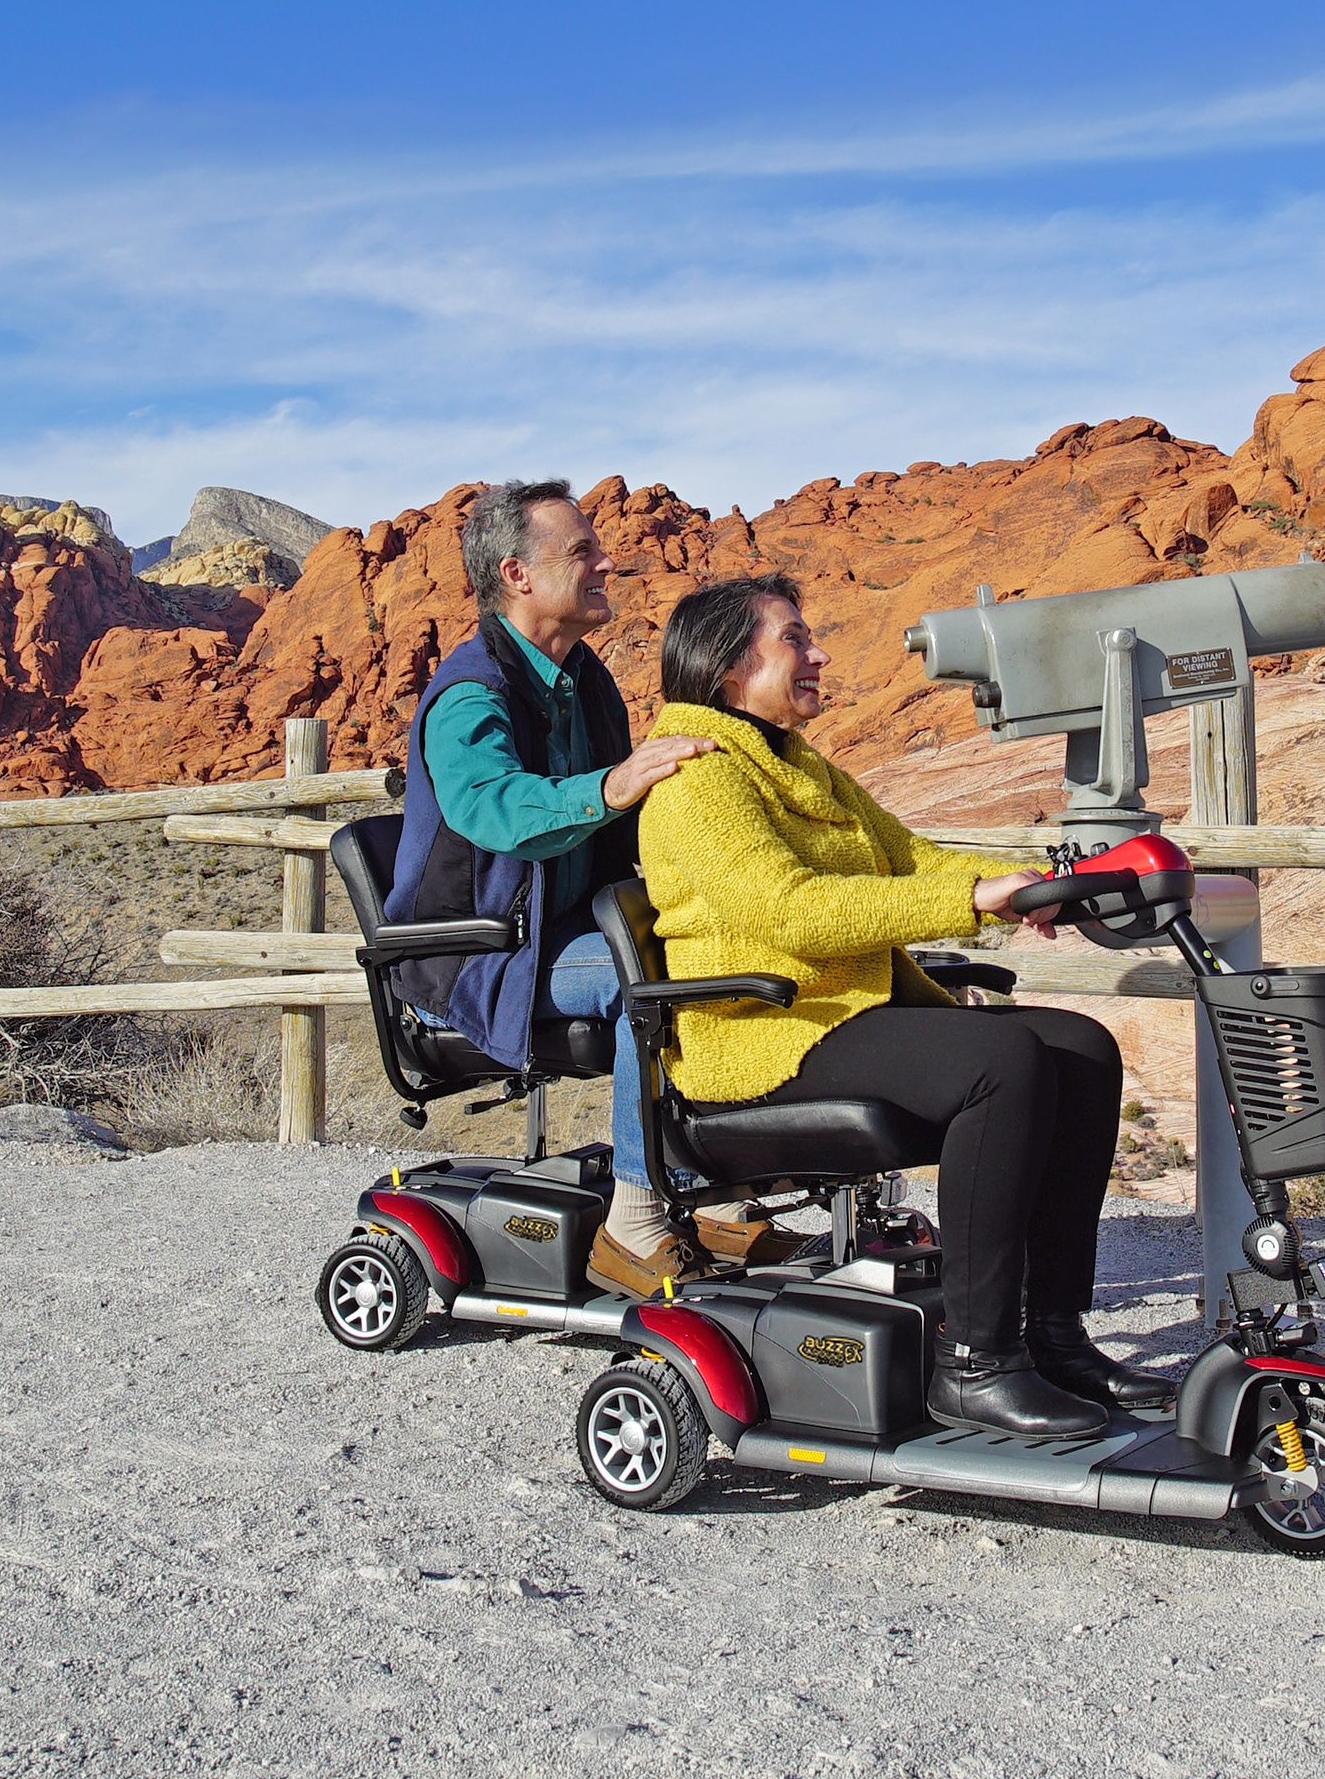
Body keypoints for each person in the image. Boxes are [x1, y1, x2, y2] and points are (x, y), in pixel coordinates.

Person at [636, 573, 1174, 1440]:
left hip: (839, 1015)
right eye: (794, 639)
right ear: (727, 665)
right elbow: (789, 911)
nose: (817, 655)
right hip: (761, 1034)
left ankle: (1055, 1332)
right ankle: (979, 1362)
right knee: (1001, 1064)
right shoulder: (699, 780)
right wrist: (970, 899)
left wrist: (1030, 889)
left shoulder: (797, 761)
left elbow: (907, 855)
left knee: (1080, 1047)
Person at [382, 477, 731, 1300]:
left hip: (560, 934)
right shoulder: (473, 693)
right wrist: (609, 787)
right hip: (476, 957)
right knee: (652, 981)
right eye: (582, 550)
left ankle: (711, 1195)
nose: (607, 560)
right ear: (517, 574)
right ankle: (636, 1226)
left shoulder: (584, 681)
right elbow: (491, 807)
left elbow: (627, 818)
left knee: (720, 947)